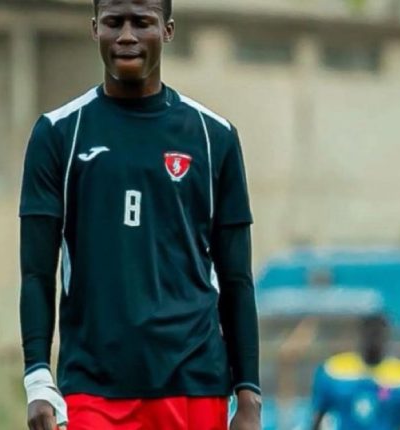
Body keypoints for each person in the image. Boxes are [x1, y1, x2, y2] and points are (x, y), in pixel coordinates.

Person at [19, 0, 261, 429]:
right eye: (114, 22)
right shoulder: (58, 133)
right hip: (93, 386)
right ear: (95, 29)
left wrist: (249, 395)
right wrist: (38, 379)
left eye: (142, 22)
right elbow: (37, 272)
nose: (127, 36)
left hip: (194, 382)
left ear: (167, 30)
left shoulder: (214, 136)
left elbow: (237, 278)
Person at [311, 315, 400, 430]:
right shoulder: (334, 370)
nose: (374, 341)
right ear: (360, 335)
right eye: (370, 334)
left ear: (386, 338)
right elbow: (318, 415)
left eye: (378, 335)